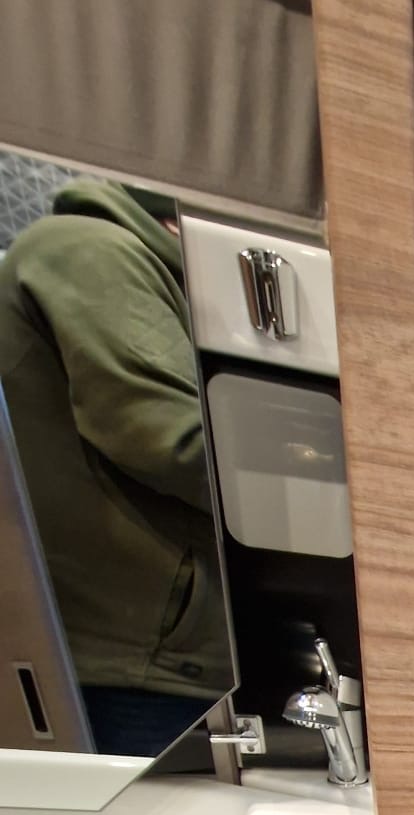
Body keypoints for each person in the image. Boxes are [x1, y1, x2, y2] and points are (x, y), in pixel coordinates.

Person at [0, 178, 230, 752]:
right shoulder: (94, 249)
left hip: (143, 653)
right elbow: (171, 438)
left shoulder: (126, 262)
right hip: (132, 658)